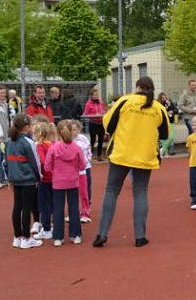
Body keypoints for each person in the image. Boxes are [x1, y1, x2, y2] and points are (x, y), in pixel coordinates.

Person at [94, 76, 169, 248]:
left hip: (122, 153)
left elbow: (108, 123)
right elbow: (164, 134)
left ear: (137, 87)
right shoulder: (158, 108)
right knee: (140, 192)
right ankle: (140, 236)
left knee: (111, 191)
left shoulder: (125, 101)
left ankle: (102, 234)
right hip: (144, 155)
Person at [45, 120, 86, 247]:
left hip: (58, 182)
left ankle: (58, 237)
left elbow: (47, 167)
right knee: (74, 208)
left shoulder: (53, 148)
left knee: (58, 209)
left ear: (58, 133)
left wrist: (56, 170)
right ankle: (76, 235)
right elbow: (82, 165)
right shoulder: (77, 148)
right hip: (73, 181)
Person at [6, 114, 43, 249]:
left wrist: (9, 177)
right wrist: (38, 177)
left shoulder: (9, 142)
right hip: (27, 179)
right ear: (26, 127)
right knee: (26, 208)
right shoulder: (28, 142)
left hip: (15, 179)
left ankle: (17, 237)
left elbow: (5, 162)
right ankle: (26, 238)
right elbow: (35, 161)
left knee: (17, 207)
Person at [33, 121, 56, 240]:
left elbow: (42, 160)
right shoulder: (52, 144)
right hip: (54, 178)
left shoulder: (40, 146)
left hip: (45, 178)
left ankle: (46, 228)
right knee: (53, 203)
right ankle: (52, 225)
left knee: (44, 205)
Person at [71, 122, 93, 224]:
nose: (72, 132)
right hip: (72, 171)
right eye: (70, 129)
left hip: (84, 169)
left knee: (85, 190)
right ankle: (74, 213)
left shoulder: (83, 139)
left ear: (79, 130)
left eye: (74, 129)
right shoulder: (67, 140)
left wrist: (86, 161)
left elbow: (88, 150)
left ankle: (85, 211)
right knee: (73, 192)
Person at [83, 88, 107, 161]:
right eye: (95, 95)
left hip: (101, 123)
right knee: (92, 140)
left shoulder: (101, 103)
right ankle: (90, 155)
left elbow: (104, 110)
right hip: (93, 123)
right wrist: (94, 114)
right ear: (91, 96)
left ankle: (99, 156)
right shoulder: (88, 104)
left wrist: (103, 112)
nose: (96, 96)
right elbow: (85, 114)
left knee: (101, 140)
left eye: (97, 95)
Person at [157, 92, 179, 157]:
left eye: (165, 98)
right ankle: (164, 153)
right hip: (163, 123)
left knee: (171, 137)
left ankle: (163, 150)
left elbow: (176, 110)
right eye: (162, 98)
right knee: (164, 139)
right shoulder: (158, 104)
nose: (164, 99)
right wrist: (165, 112)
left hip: (170, 122)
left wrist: (172, 111)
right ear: (160, 99)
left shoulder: (170, 103)